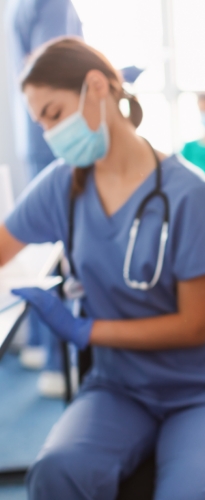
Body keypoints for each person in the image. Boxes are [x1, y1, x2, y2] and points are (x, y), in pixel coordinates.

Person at [0, 38, 205, 499]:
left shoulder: (190, 193)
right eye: (40, 122)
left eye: (53, 113)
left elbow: (194, 326)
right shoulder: (63, 185)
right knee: (54, 474)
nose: (49, 133)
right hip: (119, 387)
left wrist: (87, 332)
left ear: (97, 87)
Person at [4, 0, 83, 397]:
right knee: (57, 254)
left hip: (36, 141)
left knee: (47, 250)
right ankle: (53, 356)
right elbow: (55, 70)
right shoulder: (50, 5)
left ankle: (41, 345)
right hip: (52, 146)